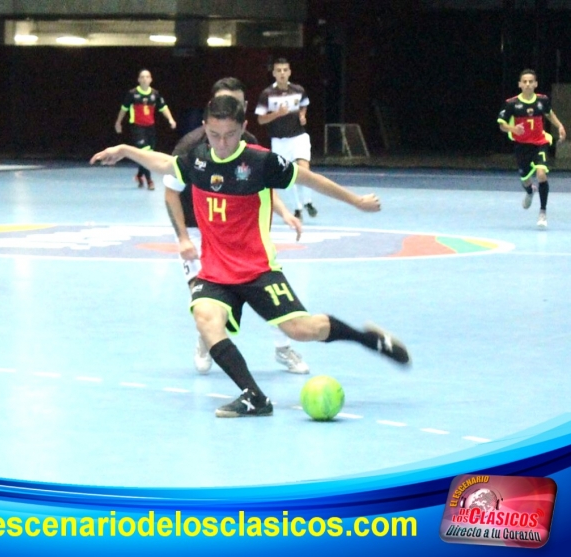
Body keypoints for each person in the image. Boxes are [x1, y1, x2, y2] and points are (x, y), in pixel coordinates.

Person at [91, 95, 410, 418]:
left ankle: (367, 339)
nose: (223, 143)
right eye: (215, 135)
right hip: (215, 271)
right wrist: (126, 150)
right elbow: (164, 165)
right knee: (205, 318)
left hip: (257, 268)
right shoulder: (197, 160)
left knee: (301, 330)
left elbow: (308, 178)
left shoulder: (261, 163)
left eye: (230, 135)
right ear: (205, 128)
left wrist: (356, 201)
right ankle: (254, 396)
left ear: (243, 128)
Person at [162, 77, 309, 375]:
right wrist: (182, 238)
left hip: (236, 232)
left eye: (241, 103)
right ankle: (207, 338)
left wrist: (283, 212)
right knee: (201, 294)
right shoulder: (190, 146)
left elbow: (263, 183)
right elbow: (170, 192)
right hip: (197, 228)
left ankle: (283, 349)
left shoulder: (249, 142)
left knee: (267, 291)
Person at [497, 69, 566, 229]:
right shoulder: (512, 103)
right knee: (525, 179)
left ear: (535, 84)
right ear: (520, 84)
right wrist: (513, 129)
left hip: (540, 142)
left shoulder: (542, 100)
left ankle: (542, 212)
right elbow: (502, 125)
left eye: (530, 81)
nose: (528, 84)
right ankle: (529, 191)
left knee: (541, 174)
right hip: (522, 146)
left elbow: (549, 114)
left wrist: (560, 126)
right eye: (525, 82)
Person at [255, 57, 316, 221]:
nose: (282, 73)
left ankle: (308, 201)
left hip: (299, 137)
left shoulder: (298, 89)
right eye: (279, 71)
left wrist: (302, 115)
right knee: (289, 173)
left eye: (285, 70)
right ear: (274, 73)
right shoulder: (267, 94)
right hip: (279, 140)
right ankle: (298, 207)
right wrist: (277, 114)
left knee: (304, 168)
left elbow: (304, 105)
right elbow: (260, 119)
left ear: (289, 72)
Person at [114, 68, 176, 191]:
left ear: (151, 79)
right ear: (138, 80)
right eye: (142, 77)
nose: (144, 79)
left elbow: (163, 107)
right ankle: (149, 181)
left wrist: (170, 119)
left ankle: (139, 175)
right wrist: (118, 122)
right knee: (146, 154)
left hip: (150, 128)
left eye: (147, 77)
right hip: (137, 128)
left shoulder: (155, 94)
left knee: (148, 155)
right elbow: (124, 109)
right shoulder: (132, 94)